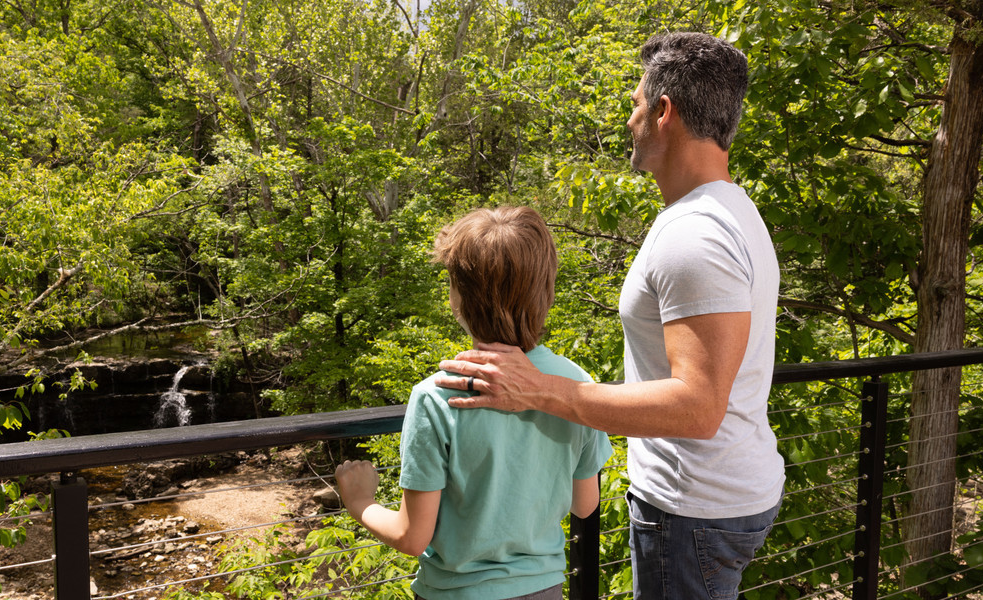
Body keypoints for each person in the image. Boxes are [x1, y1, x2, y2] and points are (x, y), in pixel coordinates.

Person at [434, 32, 784, 600]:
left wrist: (540, 390)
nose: (629, 119)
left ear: (664, 112)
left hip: (693, 508)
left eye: (636, 103)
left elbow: (697, 409)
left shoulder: (694, 233)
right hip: (724, 497)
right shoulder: (733, 211)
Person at [335, 206, 613, 600]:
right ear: (546, 290)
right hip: (545, 588)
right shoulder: (575, 384)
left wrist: (360, 500)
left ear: (458, 298)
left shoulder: (437, 395)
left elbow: (412, 536)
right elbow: (585, 505)